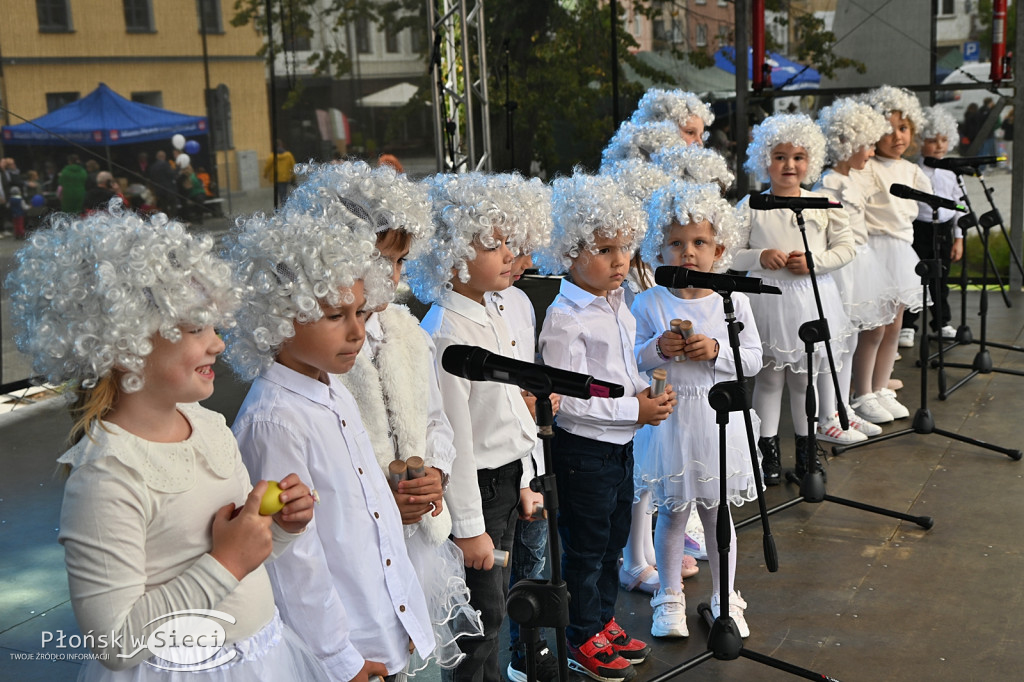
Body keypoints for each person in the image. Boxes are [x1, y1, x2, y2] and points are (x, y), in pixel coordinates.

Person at [6, 204, 327, 680]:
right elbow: (116, 642)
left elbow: (244, 558)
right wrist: (227, 560)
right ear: (123, 344)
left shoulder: (209, 426)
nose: (218, 343)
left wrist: (277, 529)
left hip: (261, 658)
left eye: (214, 325)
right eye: (196, 328)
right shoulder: (108, 474)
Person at [284, 159, 483, 674]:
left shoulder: (408, 332)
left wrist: (434, 474)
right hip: (357, 552)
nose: (389, 276)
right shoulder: (320, 347)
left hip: (418, 538)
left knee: (416, 652)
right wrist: (382, 496)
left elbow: (435, 420)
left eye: (398, 261)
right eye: (376, 258)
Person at [224, 205, 439, 682]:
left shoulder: (331, 390)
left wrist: (402, 613)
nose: (356, 330)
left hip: (379, 626)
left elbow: (369, 516)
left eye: (359, 311)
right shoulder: (274, 422)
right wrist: (339, 659)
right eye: (334, 315)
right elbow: (294, 562)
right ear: (279, 318)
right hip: (344, 652)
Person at [535, 171, 675, 682]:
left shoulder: (618, 305)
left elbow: (622, 370)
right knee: (587, 545)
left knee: (614, 538)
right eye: (605, 249)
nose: (620, 261)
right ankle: (579, 635)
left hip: (620, 446)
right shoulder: (565, 318)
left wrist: (645, 392)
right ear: (569, 253)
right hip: (585, 450)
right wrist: (631, 411)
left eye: (625, 247)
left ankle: (604, 620)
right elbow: (568, 401)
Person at [406, 172, 537, 682]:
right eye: (493, 244)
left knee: (498, 612)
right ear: (450, 253)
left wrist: (525, 478)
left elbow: (509, 411)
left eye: (509, 241)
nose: (509, 254)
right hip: (475, 491)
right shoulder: (445, 331)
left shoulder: (495, 310)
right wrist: (469, 530)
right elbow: (454, 440)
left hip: (504, 481)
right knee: (479, 626)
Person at [631, 180, 761, 639]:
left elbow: (752, 359)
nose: (688, 252)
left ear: (718, 247)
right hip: (671, 421)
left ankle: (725, 595)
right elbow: (632, 360)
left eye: (700, 242)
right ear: (659, 250)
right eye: (677, 243)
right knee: (671, 512)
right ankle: (669, 596)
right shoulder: (648, 301)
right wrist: (656, 348)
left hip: (717, 420)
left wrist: (718, 350)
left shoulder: (732, 299)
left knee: (718, 514)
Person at [734, 113, 856, 484]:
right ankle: (765, 451)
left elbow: (847, 247)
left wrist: (817, 262)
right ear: (764, 160)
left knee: (805, 380)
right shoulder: (751, 204)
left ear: (811, 161)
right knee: (770, 379)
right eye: (780, 156)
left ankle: (806, 452)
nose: (789, 165)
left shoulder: (824, 202)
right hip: (768, 299)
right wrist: (758, 257)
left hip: (810, 298)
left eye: (798, 156)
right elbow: (728, 253)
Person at [483, 174, 561, 682]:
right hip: (490, 469)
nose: (524, 261)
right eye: (512, 247)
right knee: (492, 590)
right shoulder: (455, 318)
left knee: (534, 565)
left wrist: (533, 474)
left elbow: (523, 387)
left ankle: (525, 649)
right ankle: (506, 654)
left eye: (528, 248)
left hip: (525, 457)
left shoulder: (519, 301)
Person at [813, 98, 895, 442]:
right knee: (836, 341)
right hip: (841, 267)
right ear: (846, 144)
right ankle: (826, 416)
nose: (873, 151)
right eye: (868, 144)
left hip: (859, 262)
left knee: (849, 340)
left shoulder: (855, 179)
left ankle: (843, 407)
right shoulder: (828, 185)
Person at [848, 85, 930, 425]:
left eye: (903, 128)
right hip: (875, 249)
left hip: (900, 249)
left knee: (894, 325)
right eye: (888, 129)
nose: (897, 136)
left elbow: (927, 203)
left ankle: (881, 387)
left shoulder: (910, 170)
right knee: (874, 327)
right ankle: (861, 392)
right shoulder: (869, 167)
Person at [901, 105, 966, 347]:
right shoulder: (913, 170)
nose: (939, 145)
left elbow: (961, 204)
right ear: (919, 141)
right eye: (932, 140)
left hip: (944, 230)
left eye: (944, 139)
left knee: (941, 279)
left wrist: (959, 238)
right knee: (914, 277)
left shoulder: (953, 171)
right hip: (919, 229)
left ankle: (941, 323)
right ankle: (908, 325)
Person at [264, 139, 296, 204]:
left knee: (281, 192)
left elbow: (267, 166)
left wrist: (265, 174)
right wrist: (293, 178)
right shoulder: (288, 155)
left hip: (276, 178)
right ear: (281, 145)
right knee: (284, 191)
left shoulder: (272, 156)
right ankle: (285, 204)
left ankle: (284, 205)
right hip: (286, 177)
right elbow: (293, 166)